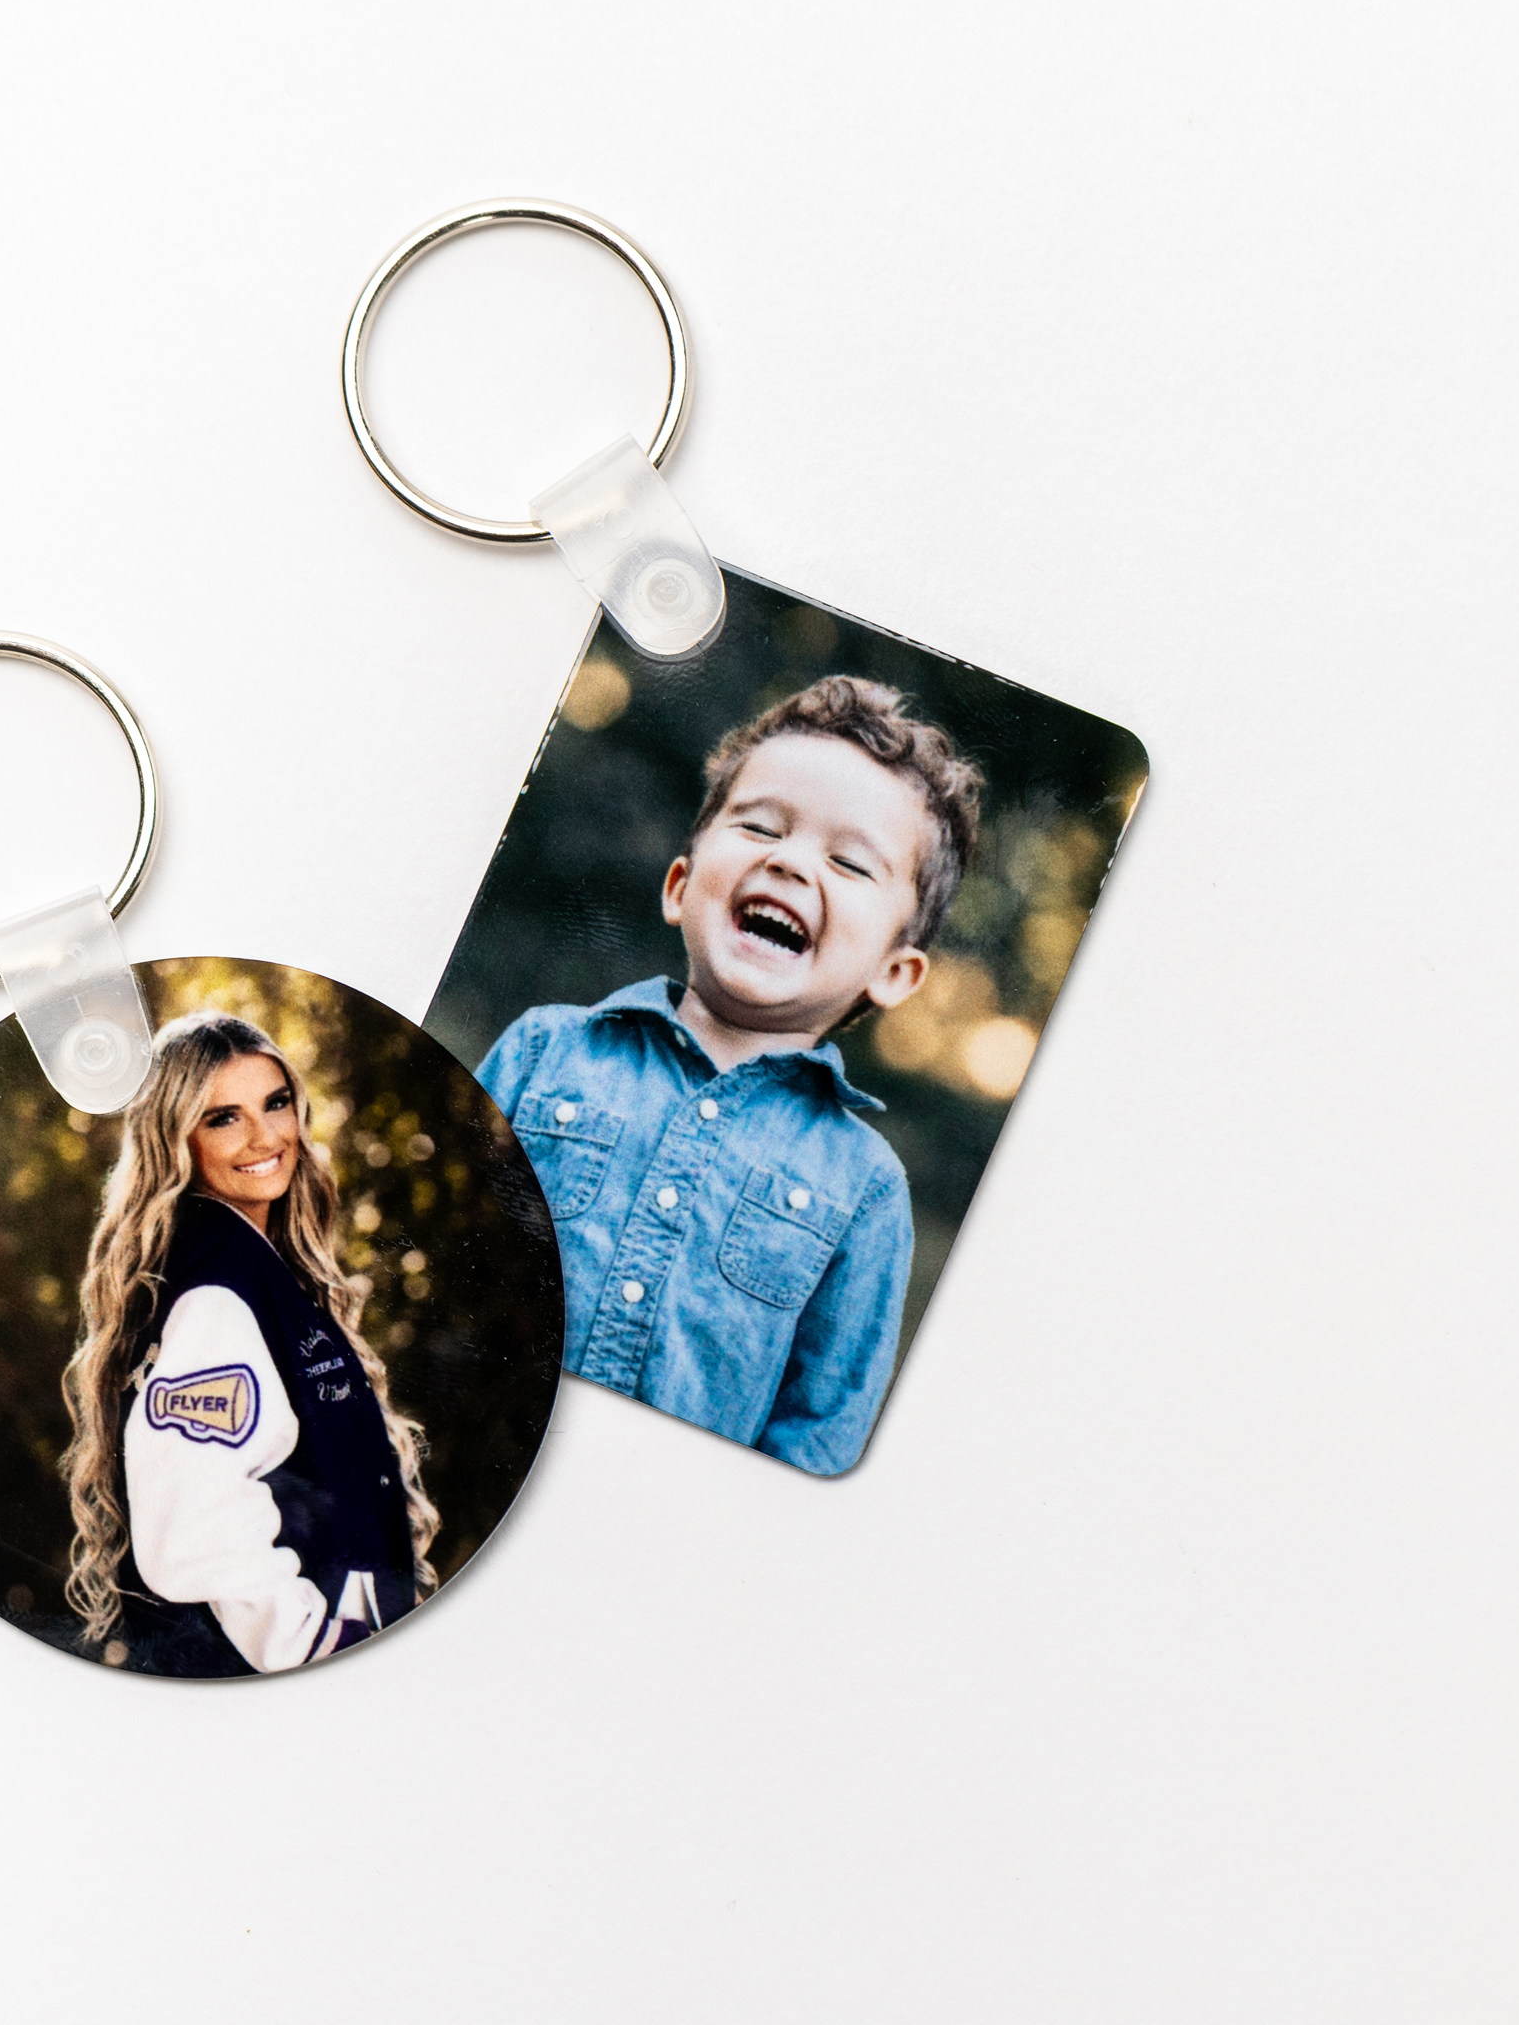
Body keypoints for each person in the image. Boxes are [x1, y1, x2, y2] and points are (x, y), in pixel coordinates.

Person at [475, 675, 985, 1475]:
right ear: (681, 886)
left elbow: (818, 1432)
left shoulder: (865, 1189)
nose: (788, 860)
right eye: (759, 827)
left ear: (894, 972)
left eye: (849, 862)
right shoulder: (544, 1052)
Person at [59, 1011, 439, 1675]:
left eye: (276, 1103)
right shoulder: (215, 1294)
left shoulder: (252, 1268)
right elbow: (195, 1528)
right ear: (176, 1139)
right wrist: (317, 1648)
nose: (266, 1136)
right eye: (223, 1118)